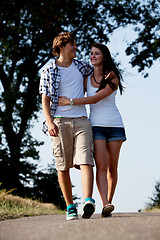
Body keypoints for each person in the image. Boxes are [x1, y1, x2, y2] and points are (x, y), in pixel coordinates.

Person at [58, 43, 127, 217]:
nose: (92, 56)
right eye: (91, 53)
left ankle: (108, 203)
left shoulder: (113, 77)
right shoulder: (86, 77)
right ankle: (105, 202)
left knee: (112, 168)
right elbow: (73, 84)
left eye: (97, 54)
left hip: (115, 126)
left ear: (104, 56)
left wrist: (71, 101)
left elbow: (96, 98)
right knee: (101, 165)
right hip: (96, 126)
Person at [39, 32, 96, 221]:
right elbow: (45, 100)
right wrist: (49, 123)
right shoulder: (48, 70)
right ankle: (70, 207)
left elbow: (97, 74)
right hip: (59, 122)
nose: (76, 48)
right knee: (63, 165)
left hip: (81, 120)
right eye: (73, 44)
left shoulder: (82, 67)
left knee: (86, 159)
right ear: (62, 47)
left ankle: (88, 200)